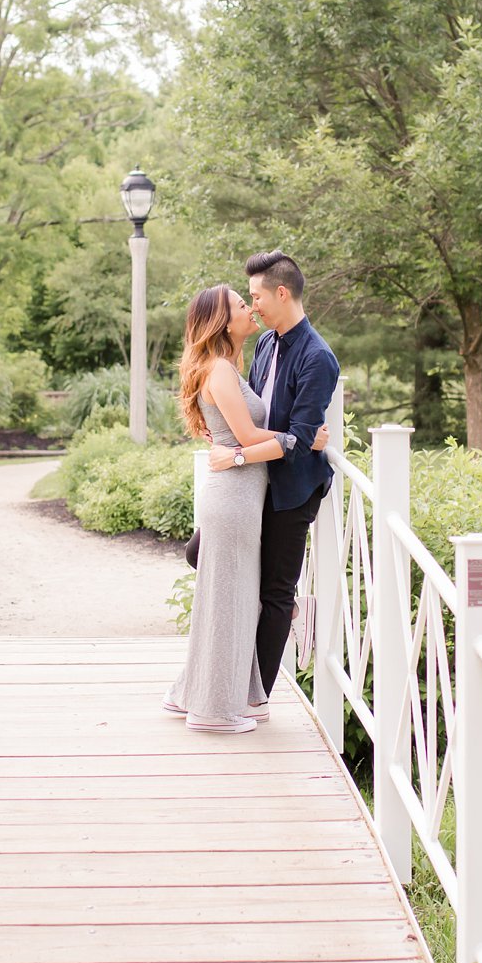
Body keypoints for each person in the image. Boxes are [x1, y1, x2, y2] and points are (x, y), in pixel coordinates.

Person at [162, 284, 326, 733]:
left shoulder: (229, 366)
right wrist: (303, 437)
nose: (250, 308)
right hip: (233, 497)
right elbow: (251, 438)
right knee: (230, 603)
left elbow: (245, 433)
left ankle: (191, 693)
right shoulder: (219, 370)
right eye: (240, 304)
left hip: (240, 493)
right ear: (223, 321)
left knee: (227, 599)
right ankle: (213, 711)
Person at [208, 250, 339, 698]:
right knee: (200, 552)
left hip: (293, 489)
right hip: (256, 484)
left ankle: (257, 697)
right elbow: (265, 421)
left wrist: (242, 456)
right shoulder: (264, 344)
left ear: (280, 293)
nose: (253, 305)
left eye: (255, 296)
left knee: (277, 592)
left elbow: (300, 442)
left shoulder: (318, 357)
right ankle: (285, 618)